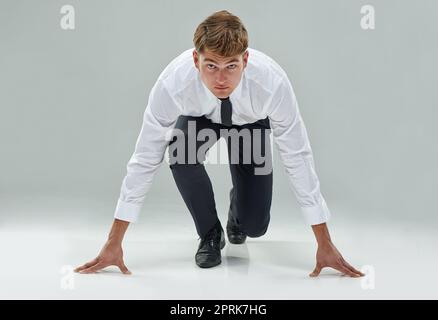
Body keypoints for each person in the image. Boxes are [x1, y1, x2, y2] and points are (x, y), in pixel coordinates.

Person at [75, 10, 364, 277]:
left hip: (251, 122)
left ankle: (237, 214)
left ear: (246, 61)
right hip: (199, 118)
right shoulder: (173, 83)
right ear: (195, 60)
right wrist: (114, 241)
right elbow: (145, 156)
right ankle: (210, 234)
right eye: (211, 65)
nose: (221, 78)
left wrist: (324, 242)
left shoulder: (272, 84)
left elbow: (297, 155)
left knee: (256, 226)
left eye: (231, 66)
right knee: (180, 151)